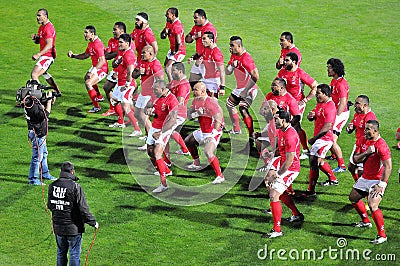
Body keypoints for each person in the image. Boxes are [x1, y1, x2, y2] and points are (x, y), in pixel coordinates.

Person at [349, 120, 392, 244]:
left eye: (368, 129)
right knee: (353, 198)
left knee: (373, 205)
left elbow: (388, 166)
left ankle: (382, 235)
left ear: (375, 131)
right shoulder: (363, 140)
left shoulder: (381, 145)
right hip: (365, 178)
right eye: (365, 129)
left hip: (377, 180)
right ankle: (365, 221)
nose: (365, 131)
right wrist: (367, 152)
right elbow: (355, 159)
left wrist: (381, 184)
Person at [47, 161, 99, 265]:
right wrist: (93, 222)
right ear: (73, 172)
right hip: (73, 227)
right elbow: (83, 209)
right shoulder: (75, 187)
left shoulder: (52, 185)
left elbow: (50, 205)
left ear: (60, 171)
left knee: (61, 252)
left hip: (58, 225)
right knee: (74, 253)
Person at [262, 109, 304, 239]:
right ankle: (296, 214)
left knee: (274, 194)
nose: (274, 121)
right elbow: (280, 149)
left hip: (290, 168)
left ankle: (277, 229)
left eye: (276, 119)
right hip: (282, 162)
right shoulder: (281, 130)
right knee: (269, 183)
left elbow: (290, 160)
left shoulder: (290, 136)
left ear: (284, 120)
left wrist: (278, 174)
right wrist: (271, 154)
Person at [277, 52, 318, 159]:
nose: (284, 62)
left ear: (294, 62)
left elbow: (315, 86)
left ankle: (304, 150)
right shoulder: (282, 72)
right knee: (283, 125)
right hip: (285, 103)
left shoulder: (300, 73)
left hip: (297, 104)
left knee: (294, 126)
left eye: (287, 60)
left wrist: (305, 100)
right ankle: (285, 149)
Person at [185, 82, 225, 184]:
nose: (193, 92)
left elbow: (218, 118)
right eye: (193, 89)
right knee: (188, 141)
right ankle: (196, 163)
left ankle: (220, 176)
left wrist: (213, 134)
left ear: (203, 91)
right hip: (203, 131)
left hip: (213, 132)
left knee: (208, 152)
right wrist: (196, 113)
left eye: (195, 90)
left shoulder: (210, 102)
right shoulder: (195, 101)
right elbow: (189, 116)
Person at [303, 84, 337, 197]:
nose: (316, 95)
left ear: (326, 94)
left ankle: (311, 191)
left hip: (324, 139)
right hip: (320, 139)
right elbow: (314, 114)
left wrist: (314, 138)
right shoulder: (321, 104)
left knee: (313, 162)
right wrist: (311, 116)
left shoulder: (331, 107)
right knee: (317, 160)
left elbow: (327, 127)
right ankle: (333, 178)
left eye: (318, 93)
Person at [145, 80, 179, 193]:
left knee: (157, 153)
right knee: (150, 152)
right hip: (154, 127)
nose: (154, 92)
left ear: (163, 89)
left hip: (164, 129)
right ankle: (167, 171)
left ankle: (163, 184)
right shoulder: (156, 96)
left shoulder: (172, 100)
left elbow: (173, 119)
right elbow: (149, 107)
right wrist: (149, 110)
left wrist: (161, 132)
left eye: (156, 90)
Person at [225, 36, 259, 146]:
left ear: (239, 46)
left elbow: (256, 76)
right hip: (239, 88)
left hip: (250, 89)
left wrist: (246, 90)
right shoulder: (234, 55)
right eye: (230, 45)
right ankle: (236, 129)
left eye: (232, 45)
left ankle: (251, 136)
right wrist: (231, 65)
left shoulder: (246, 59)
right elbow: (227, 72)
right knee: (229, 104)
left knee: (243, 109)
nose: (230, 48)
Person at [68, 25, 108, 113]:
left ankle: (97, 107)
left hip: (102, 68)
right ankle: (99, 96)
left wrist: (93, 71)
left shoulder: (97, 44)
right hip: (96, 66)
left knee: (88, 83)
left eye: (86, 32)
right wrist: (74, 56)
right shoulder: (91, 43)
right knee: (86, 78)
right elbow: (86, 55)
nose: (84, 34)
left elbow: (102, 60)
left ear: (92, 34)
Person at [108, 34, 141, 136]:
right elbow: (114, 64)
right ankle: (121, 122)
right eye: (119, 42)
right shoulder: (121, 52)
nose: (119, 44)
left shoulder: (129, 55)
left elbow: (130, 71)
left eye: (121, 42)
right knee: (114, 101)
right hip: (120, 82)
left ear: (127, 43)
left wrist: (127, 84)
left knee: (126, 106)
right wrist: (116, 65)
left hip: (127, 84)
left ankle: (137, 129)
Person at [132, 45, 164, 150]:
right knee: (137, 114)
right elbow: (133, 75)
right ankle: (149, 134)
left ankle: (150, 142)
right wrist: (139, 72)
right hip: (143, 93)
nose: (141, 55)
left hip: (151, 94)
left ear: (150, 54)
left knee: (144, 117)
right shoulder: (142, 62)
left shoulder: (156, 65)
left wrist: (154, 98)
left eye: (143, 53)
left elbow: (160, 82)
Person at [24, 93, 56, 185]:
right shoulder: (32, 107)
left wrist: (49, 98)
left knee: (44, 154)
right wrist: (49, 102)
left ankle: (45, 173)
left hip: (39, 132)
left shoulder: (30, 102)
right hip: (37, 133)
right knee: (37, 157)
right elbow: (45, 114)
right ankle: (33, 179)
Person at [325, 58, 350, 173]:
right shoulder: (334, 81)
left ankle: (342, 165)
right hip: (336, 112)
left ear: (335, 69)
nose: (328, 69)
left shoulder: (340, 84)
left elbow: (343, 102)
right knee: (328, 135)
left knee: (331, 139)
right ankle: (334, 156)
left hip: (341, 114)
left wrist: (335, 116)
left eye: (329, 67)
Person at [346, 95, 377, 181]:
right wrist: (349, 128)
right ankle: (358, 186)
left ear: (365, 105)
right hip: (358, 144)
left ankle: (363, 192)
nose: (355, 105)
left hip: (367, 146)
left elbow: (373, 136)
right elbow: (350, 129)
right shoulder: (357, 114)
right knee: (351, 167)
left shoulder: (370, 118)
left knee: (361, 171)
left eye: (357, 103)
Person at [31, 8, 61, 97]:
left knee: (34, 74)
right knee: (44, 73)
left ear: (45, 16)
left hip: (48, 56)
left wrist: (38, 54)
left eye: (39, 15)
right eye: (37, 15)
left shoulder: (48, 28)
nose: (37, 17)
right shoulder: (41, 27)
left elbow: (49, 45)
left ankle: (37, 98)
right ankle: (56, 91)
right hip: (45, 55)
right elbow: (40, 41)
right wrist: (35, 39)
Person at [185, 9, 218, 89]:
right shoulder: (196, 27)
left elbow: (210, 47)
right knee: (192, 84)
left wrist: (202, 58)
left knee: (208, 89)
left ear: (202, 17)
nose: (194, 20)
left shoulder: (210, 29)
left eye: (196, 18)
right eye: (194, 18)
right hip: (198, 58)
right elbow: (187, 39)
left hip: (207, 61)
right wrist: (194, 36)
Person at [188, 31, 225, 98]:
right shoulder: (206, 48)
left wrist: (222, 87)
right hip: (206, 79)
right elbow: (198, 54)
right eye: (202, 39)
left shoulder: (216, 53)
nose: (202, 41)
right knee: (197, 94)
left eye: (204, 39)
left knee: (212, 103)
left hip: (214, 81)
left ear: (211, 40)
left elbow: (222, 71)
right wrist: (192, 58)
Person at [102, 22, 127, 117]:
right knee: (106, 87)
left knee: (124, 95)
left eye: (115, 29)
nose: (113, 31)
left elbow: (128, 56)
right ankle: (113, 109)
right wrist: (118, 52)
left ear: (122, 31)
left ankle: (129, 115)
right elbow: (107, 56)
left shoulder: (127, 42)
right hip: (116, 68)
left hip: (124, 70)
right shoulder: (111, 41)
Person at [169, 62, 191, 156]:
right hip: (173, 112)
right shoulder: (175, 80)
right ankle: (185, 150)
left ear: (180, 71)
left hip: (178, 114)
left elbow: (179, 103)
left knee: (167, 131)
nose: (171, 73)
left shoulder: (183, 85)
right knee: (169, 131)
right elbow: (167, 88)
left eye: (173, 71)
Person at [160, 7, 186, 82]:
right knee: (166, 66)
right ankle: (176, 81)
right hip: (172, 49)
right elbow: (162, 36)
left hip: (179, 51)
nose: (165, 15)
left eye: (168, 14)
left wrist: (175, 52)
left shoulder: (177, 26)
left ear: (173, 15)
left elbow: (179, 42)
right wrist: (165, 32)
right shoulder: (169, 23)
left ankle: (173, 85)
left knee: (168, 67)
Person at [254, 100, 278, 172]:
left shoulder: (278, 119)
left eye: (266, 109)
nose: (264, 111)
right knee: (259, 142)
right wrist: (259, 134)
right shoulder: (272, 116)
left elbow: (277, 135)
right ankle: (267, 163)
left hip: (281, 138)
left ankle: (273, 166)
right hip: (273, 132)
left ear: (273, 109)